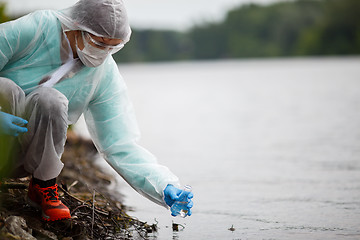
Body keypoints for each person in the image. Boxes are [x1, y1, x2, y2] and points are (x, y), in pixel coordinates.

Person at [0, 0, 193, 221]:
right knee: (5, 88)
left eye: (113, 46)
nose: (104, 53)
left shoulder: (103, 74)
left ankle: (43, 186)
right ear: (76, 26)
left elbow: (119, 144)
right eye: (100, 43)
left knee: (51, 100)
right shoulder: (35, 29)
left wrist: (163, 185)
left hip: (24, 156)